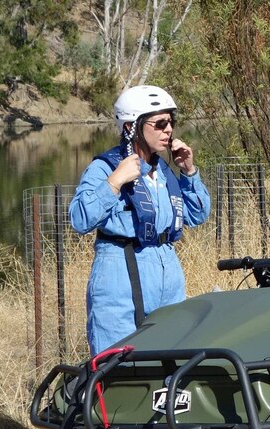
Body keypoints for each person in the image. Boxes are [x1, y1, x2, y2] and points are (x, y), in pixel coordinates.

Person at [69, 85, 211, 355]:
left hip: (167, 274)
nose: (168, 130)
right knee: (116, 367)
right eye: (159, 123)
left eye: (171, 122)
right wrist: (114, 182)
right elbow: (79, 218)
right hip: (120, 275)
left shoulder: (164, 171)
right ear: (131, 127)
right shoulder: (106, 168)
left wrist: (189, 172)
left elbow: (197, 214)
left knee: (174, 364)